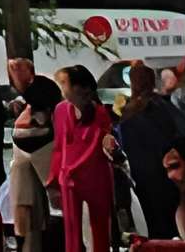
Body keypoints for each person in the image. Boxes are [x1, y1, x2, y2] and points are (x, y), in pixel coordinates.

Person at [116, 63, 185, 240]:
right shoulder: (161, 105)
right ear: (151, 81)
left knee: (155, 228)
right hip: (168, 175)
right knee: (175, 227)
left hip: (143, 179)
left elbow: (123, 145)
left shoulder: (126, 111)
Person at [51, 65, 115, 252]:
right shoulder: (61, 110)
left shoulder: (100, 113)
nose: (61, 87)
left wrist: (70, 168)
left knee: (100, 227)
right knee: (71, 229)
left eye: (64, 83)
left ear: (79, 87)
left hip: (94, 176)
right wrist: (54, 179)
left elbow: (96, 145)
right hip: (69, 178)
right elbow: (58, 146)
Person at [5, 53, 62, 249]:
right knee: (24, 204)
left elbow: (48, 113)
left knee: (58, 197)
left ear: (30, 70)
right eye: (12, 69)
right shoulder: (21, 97)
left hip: (43, 147)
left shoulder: (43, 87)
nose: (15, 73)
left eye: (18, 68)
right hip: (24, 150)